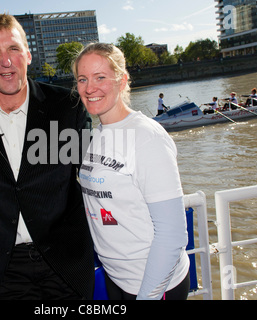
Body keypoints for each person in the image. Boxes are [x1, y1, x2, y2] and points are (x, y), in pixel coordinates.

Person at [0, 14, 94, 300]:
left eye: (13, 49)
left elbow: (96, 176)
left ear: (28, 54)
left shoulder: (67, 107)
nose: (6, 61)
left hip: (65, 264)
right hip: (2, 269)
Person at [73, 43, 190, 300]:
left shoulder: (146, 137)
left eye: (100, 77)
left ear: (122, 80)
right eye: (83, 79)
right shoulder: (96, 136)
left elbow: (172, 235)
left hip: (154, 286)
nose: (89, 88)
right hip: (116, 277)